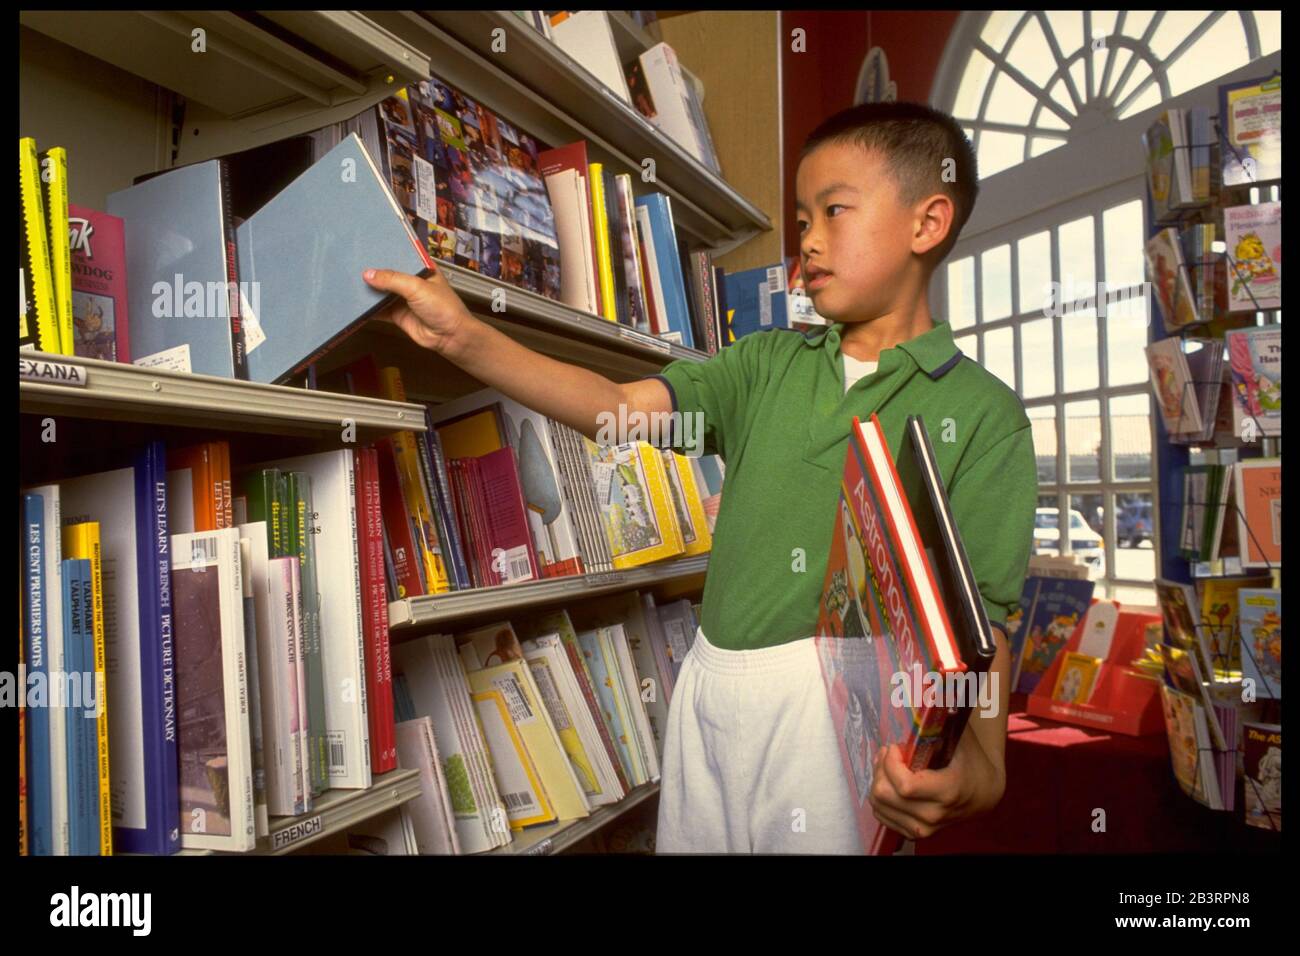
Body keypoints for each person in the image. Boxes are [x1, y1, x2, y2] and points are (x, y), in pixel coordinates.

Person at [363, 101, 1037, 854]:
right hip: (709, 691)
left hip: (843, 714)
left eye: (833, 210)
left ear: (927, 222)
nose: (807, 238)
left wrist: (980, 771)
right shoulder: (762, 365)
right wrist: (466, 338)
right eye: (801, 216)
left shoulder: (983, 415)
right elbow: (616, 409)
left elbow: (984, 625)